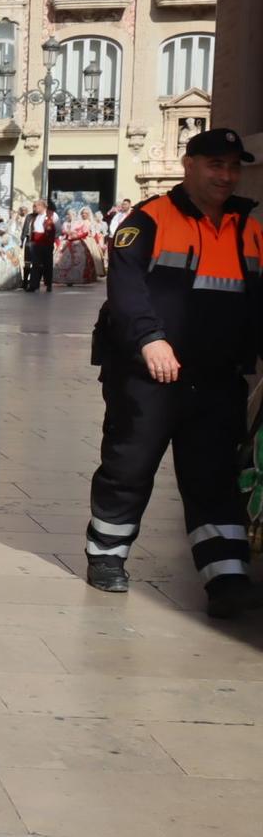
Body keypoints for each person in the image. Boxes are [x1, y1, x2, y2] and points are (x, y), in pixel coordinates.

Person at [85, 127, 263, 619]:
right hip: (149, 376)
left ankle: (226, 577)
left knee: (213, 478)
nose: (226, 175)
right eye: (215, 165)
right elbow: (125, 290)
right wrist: (150, 339)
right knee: (129, 466)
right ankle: (106, 555)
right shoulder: (147, 221)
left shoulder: (250, 227)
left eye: (233, 166)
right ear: (189, 164)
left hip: (218, 379)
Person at [21, 199, 58, 291]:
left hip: (47, 243)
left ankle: (48, 284)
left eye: (36, 206)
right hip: (36, 244)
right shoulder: (34, 217)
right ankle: (34, 285)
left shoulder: (52, 215)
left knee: (47, 264)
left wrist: (52, 240)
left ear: (42, 206)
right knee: (35, 264)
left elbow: (58, 228)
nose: (34, 208)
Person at [56, 205, 97, 287]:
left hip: (81, 241)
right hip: (71, 241)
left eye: (86, 213)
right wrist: (70, 234)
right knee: (67, 259)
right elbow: (70, 230)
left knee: (80, 260)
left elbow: (86, 232)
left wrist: (77, 236)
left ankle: (79, 278)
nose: (84, 215)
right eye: (82, 213)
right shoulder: (77, 222)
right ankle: (67, 278)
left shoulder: (89, 222)